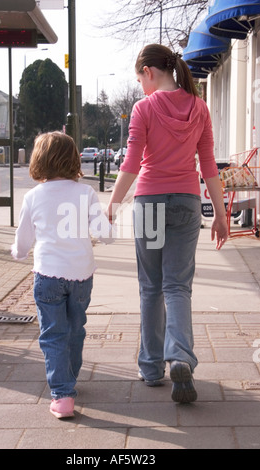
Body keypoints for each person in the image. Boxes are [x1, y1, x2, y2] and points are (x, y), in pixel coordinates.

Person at [107, 44, 228, 403]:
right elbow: (209, 167)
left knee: (150, 287)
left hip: (150, 203)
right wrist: (220, 215)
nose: (141, 87)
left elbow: (131, 162)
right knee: (177, 287)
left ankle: (150, 367)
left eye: (140, 79)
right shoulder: (199, 107)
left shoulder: (144, 108)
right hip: (187, 202)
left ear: (148, 71)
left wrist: (112, 204)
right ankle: (180, 357)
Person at [12, 131, 112, 418]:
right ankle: (70, 376)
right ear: (73, 159)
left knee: (53, 334)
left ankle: (62, 394)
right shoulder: (86, 193)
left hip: (48, 276)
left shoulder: (33, 196)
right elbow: (105, 236)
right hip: (81, 274)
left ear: (38, 159)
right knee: (75, 328)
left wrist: (17, 253)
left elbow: (24, 239)